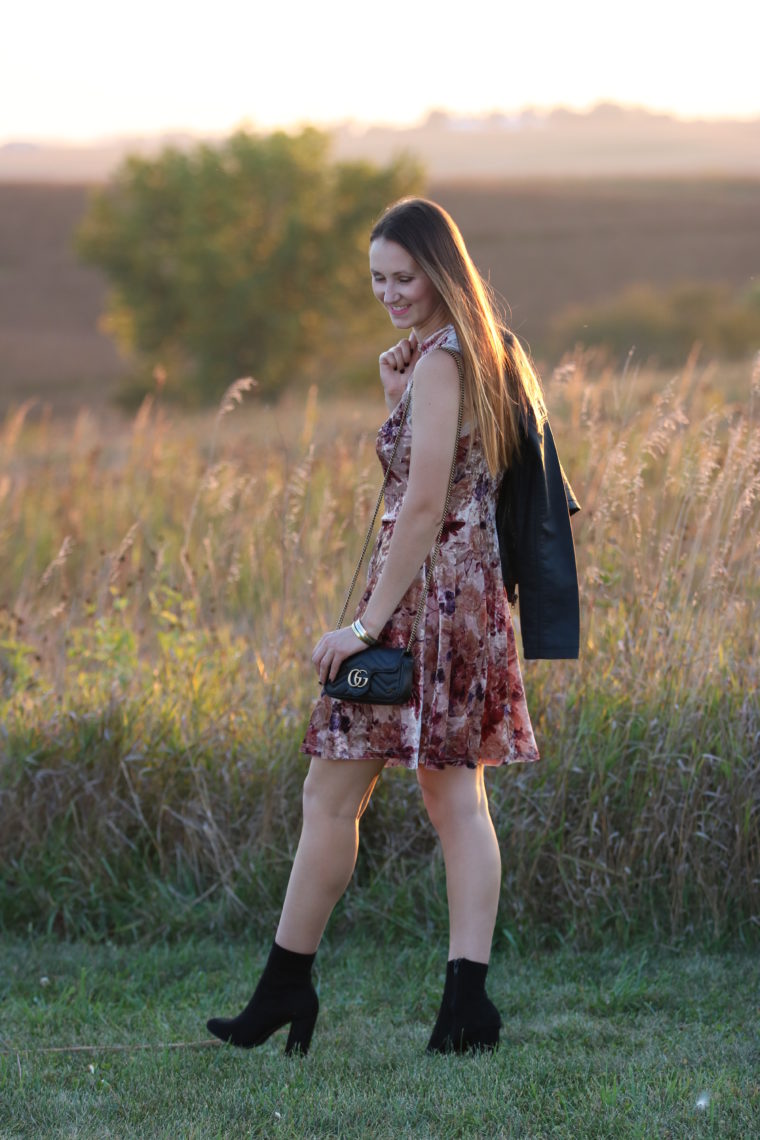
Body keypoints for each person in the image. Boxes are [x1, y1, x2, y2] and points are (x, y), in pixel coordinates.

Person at [207, 197, 568, 1057]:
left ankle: (381, 998)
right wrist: (394, 390)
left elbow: (426, 503)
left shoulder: (447, 362)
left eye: (404, 277)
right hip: (453, 595)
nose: (390, 292)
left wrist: (364, 628)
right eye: (377, 279)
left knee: (398, 796)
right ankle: (324, 992)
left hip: (425, 603)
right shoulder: (463, 355)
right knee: (384, 796)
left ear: (442, 272)